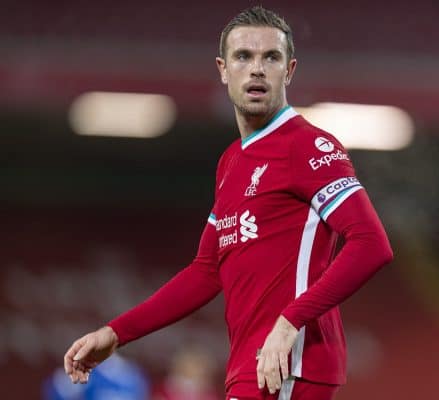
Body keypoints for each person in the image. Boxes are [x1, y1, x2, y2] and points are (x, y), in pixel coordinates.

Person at [63, 6, 393, 400]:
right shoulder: (231, 162)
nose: (257, 69)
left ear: (288, 71)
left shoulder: (306, 145)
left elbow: (371, 244)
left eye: (270, 57)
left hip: (289, 366)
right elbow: (206, 271)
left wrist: (289, 322)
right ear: (223, 69)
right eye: (243, 56)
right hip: (252, 369)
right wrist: (116, 333)